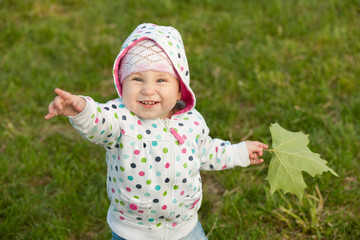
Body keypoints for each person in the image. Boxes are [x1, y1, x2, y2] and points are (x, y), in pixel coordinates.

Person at [45, 23, 268, 240]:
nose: (148, 90)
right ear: (122, 84)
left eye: (161, 80)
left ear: (180, 89)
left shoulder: (191, 122)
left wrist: (239, 152)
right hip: (133, 231)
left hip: (184, 228)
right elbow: (99, 122)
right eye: (137, 79)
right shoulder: (120, 118)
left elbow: (206, 151)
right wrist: (82, 110)